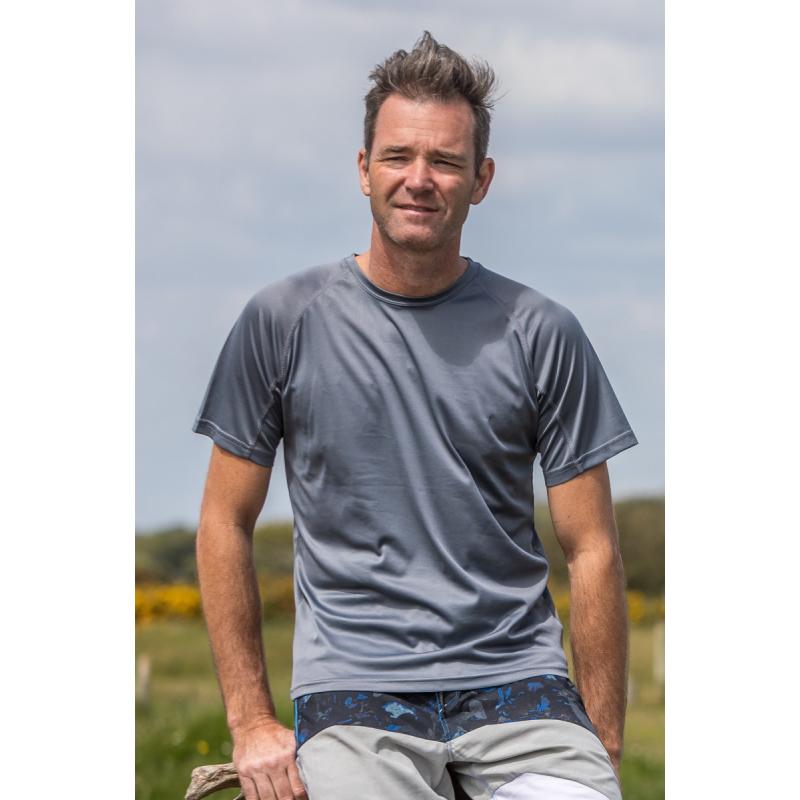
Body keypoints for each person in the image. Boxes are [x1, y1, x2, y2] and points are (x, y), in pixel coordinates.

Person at [193, 31, 637, 800]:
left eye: (446, 161)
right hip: (356, 691)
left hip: (521, 685)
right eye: (398, 156)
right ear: (364, 168)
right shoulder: (281, 321)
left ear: (481, 179)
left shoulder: (543, 332)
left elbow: (593, 548)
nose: (420, 180)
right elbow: (223, 522)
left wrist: (602, 742)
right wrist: (251, 721)